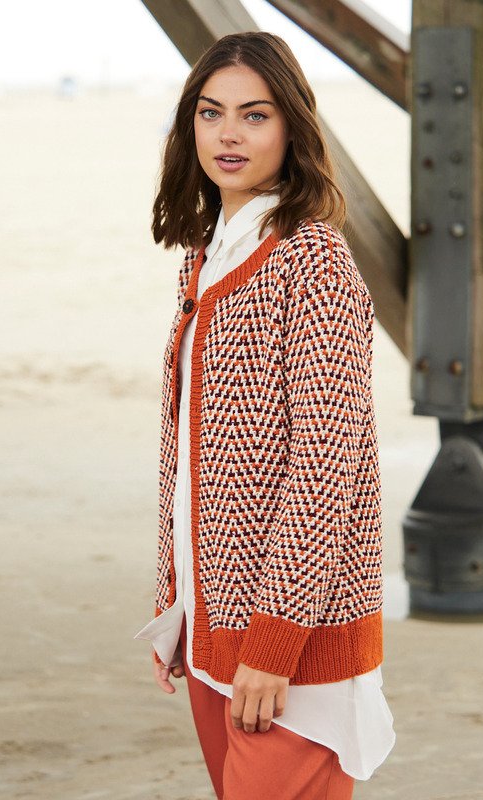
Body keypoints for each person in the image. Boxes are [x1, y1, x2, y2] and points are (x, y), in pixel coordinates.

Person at [134, 30, 396, 800]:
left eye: (255, 115)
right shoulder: (204, 257)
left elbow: (324, 469)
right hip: (215, 630)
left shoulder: (313, 261)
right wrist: (176, 607)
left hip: (288, 646)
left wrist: (275, 642)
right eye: (211, 113)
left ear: (291, 127)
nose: (229, 134)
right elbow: (193, 458)